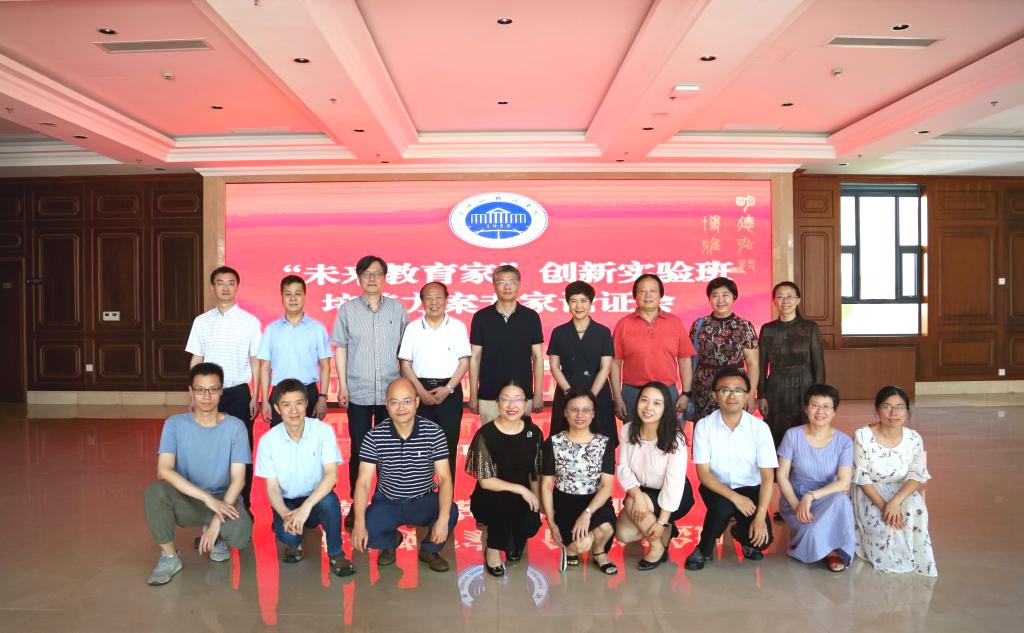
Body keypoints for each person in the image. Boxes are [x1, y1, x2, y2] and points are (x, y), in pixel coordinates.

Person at [143, 363, 252, 585]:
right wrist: (207, 499)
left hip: (224, 499)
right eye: (200, 390)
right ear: (191, 392)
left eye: (213, 389)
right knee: (155, 492)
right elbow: (164, 470)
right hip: (188, 499)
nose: (207, 396)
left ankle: (217, 536)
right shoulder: (174, 424)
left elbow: (239, 479)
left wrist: (216, 522)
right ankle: (170, 558)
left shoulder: (236, 427)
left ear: (221, 391)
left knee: (241, 533)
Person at [331, 255, 409, 525]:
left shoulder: (397, 309)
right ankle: (358, 503)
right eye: (367, 274)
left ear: (385, 277)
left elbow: (406, 352)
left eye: (377, 274)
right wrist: (343, 385)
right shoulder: (347, 310)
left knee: (391, 451)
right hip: (359, 392)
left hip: (391, 396)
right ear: (359, 278)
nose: (372, 279)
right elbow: (341, 348)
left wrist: (406, 388)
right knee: (359, 450)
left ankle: (387, 502)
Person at [350, 379, 457, 573]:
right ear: (386, 404)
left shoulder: (434, 432)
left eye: (407, 401)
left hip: (422, 500)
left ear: (417, 402)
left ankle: (429, 551)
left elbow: (444, 479)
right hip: (388, 501)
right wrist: (358, 523)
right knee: (365, 533)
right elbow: (363, 483)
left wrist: (443, 518)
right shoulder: (374, 436)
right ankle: (391, 541)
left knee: (450, 511)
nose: (401, 408)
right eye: (394, 402)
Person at [255, 378, 353, 577]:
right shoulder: (268, 441)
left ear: (307, 403)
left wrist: (306, 507)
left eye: (299, 403)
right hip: (287, 502)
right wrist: (285, 514)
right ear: (277, 408)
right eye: (286, 405)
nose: (294, 410)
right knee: (289, 537)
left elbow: (331, 476)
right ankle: (294, 542)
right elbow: (272, 489)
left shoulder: (322, 431)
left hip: (316, 499)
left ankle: (336, 553)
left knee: (330, 502)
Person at [186, 265, 262, 508]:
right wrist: (193, 395)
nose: (226, 287)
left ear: (237, 287)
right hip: (208, 395)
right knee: (208, 450)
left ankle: (243, 505)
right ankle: (211, 504)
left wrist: (256, 396)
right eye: (221, 283)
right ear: (213, 288)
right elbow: (196, 359)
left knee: (242, 450)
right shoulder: (201, 322)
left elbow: (256, 361)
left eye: (231, 283)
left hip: (239, 393)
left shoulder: (250, 322)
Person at [685, 368, 777, 571]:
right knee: (722, 508)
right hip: (716, 487)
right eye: (725, 390)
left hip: (750, 489)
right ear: (714, 395)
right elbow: (704, 474)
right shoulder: (704, 426)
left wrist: (760, 516)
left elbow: (767, 477)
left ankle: (739, 532)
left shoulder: (760, 429)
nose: (732, 395)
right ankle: (703, 548)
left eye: (738, 390)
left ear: (747, 395)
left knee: (761, 542)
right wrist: (736, 498)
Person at [853, 386, 936, 576]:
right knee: (886, 529)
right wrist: (885, 506)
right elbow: (862, 477)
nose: (894, 413)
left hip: (900, 490)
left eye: (900, 407)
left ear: (907, 410)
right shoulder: (862, 436)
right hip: (871, 492)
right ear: (877, 409)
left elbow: (916, 474)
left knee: (915, 508)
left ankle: (912, 553)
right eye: (887, 407)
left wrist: (896, 501)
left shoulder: (914, 438)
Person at [466, 382, 543, 576]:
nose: (512, 405)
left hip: (521, 496)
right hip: (491, 495)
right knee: (501, 506)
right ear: (497, 403)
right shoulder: (486, 434)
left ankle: (514, 541)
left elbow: (534, 472)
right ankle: (492, 549)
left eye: (518, 400)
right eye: (506, 400)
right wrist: (522, 490)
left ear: (525, 404)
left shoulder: (533, 433)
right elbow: (485, 481)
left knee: (530, 524)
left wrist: (536, 498)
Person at [615, 381, 694, 571]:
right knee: (624, 534)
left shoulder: (674, 439)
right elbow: (623, 468)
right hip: (641, 490)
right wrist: (637, 494)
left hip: (674, 494)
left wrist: (661, 521)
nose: (648, 407)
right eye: (644, 400)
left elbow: (673, 483)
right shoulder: (628, 430)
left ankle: (657, 546)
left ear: (665, 409)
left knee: (631, 503)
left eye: (657, 403)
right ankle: (666, 529)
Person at [776, 384, 855, 572]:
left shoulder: (844, 442)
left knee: (842, 500)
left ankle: (836, 549)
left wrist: (810, 496)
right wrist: (797, 505)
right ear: (806, 409)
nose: (820, 412)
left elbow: (844, 482)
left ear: (834, 411)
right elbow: (781, 475)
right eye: (814, 405)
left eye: (826, 406)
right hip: (794, 498)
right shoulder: (792, 435)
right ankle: (819, 541)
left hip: (825, 498)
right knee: (809, 532)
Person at [540, 388, 618, 575]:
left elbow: (607, 485)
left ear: (593, 414)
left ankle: (599, 553)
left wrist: (587, 514)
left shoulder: (604, 443)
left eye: (586, 410)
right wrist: (552, 522)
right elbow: (546, 485)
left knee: (605, 527)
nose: (580, 415)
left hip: (595, 500)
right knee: (582, 544)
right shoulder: (553, 443)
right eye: (574, 409)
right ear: (565, 413)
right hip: (565, 501)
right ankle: (570, 549)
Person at [398, 281, 470, 484]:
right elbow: (405, 364)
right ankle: (422, 492)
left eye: (438, 297)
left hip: (450, 392)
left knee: (448, 447)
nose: (434, 302)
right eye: (428, 298)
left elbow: (464, 362)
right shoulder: (413, 328)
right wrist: (420, 392)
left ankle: (447, 496)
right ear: (421, 302)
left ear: (447, 300)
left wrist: (448, 388)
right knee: (418, 448)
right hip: (419, 391)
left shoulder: (457, 327)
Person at [611, 273, 695, 422]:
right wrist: (617, 398)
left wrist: (686, 393)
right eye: (642, 291)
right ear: (635, 296)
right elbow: (615, 363)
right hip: (633, 394)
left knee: (668, 435)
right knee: (633, 436)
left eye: (653, 291)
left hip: (667, 392)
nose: (648, 295)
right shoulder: (623, 324)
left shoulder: (674, 322)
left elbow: (684, 360)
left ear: (661, 294)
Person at [469, 265, 544, 424]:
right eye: (502, 282)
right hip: (489, 395)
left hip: (521, 395)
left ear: (519, 285)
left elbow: (538, 357)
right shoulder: (481, 317)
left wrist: (538, 394)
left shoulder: (531, 317)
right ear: (494, 285)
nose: (507, 286)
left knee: (521, 438)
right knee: (490, 438)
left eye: (512, 282)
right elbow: (475, 358)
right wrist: (473, 395)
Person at [547, 281, 616, 447]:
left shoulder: (603, 332)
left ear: (591, 303)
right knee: (563, 443)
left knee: (601, 442)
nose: (579, 306)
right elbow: (555, 366)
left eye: (583, 301)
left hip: (598, 392)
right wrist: (569, 393)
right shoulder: (559, 332)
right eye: (573, 301)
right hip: (566, 391)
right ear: (568, 304)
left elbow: (605, 367)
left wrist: (590, 397)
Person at [758, 281, 826, 447]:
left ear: (798, 300)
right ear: (774, 301)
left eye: (789, 296)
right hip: (776, 388)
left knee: (805, 433)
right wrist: (762, 396)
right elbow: (761, 366)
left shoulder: (810, 328)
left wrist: (818, 397)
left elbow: (819, 367)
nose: (785, 301)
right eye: (780, 297)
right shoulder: (767, 329)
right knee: (776, 435)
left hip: (805, 386)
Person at [257, 275, 331, 426]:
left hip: (308, 393)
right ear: (282, 297)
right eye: (288, 294)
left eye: (297, 294)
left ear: (304, 297)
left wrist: (322, 398)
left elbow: (325, 366)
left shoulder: (317, 328)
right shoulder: (271, 330)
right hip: (279, 394)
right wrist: (264, 400)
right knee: (279, 439)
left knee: (309, 438)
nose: (293, 298)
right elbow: (265, 368)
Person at [690, 277, 759, 421]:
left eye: (725, 295)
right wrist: (688, 392)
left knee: (734, 426)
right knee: (705, 427)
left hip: (735, 388)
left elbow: (753, 364)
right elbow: (690, 361)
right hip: (704, 389)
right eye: (715, 295)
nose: (720, 300)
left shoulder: (744, 326)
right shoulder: (698, 325)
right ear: (709, 298)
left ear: (734, 297)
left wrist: (750, 395)